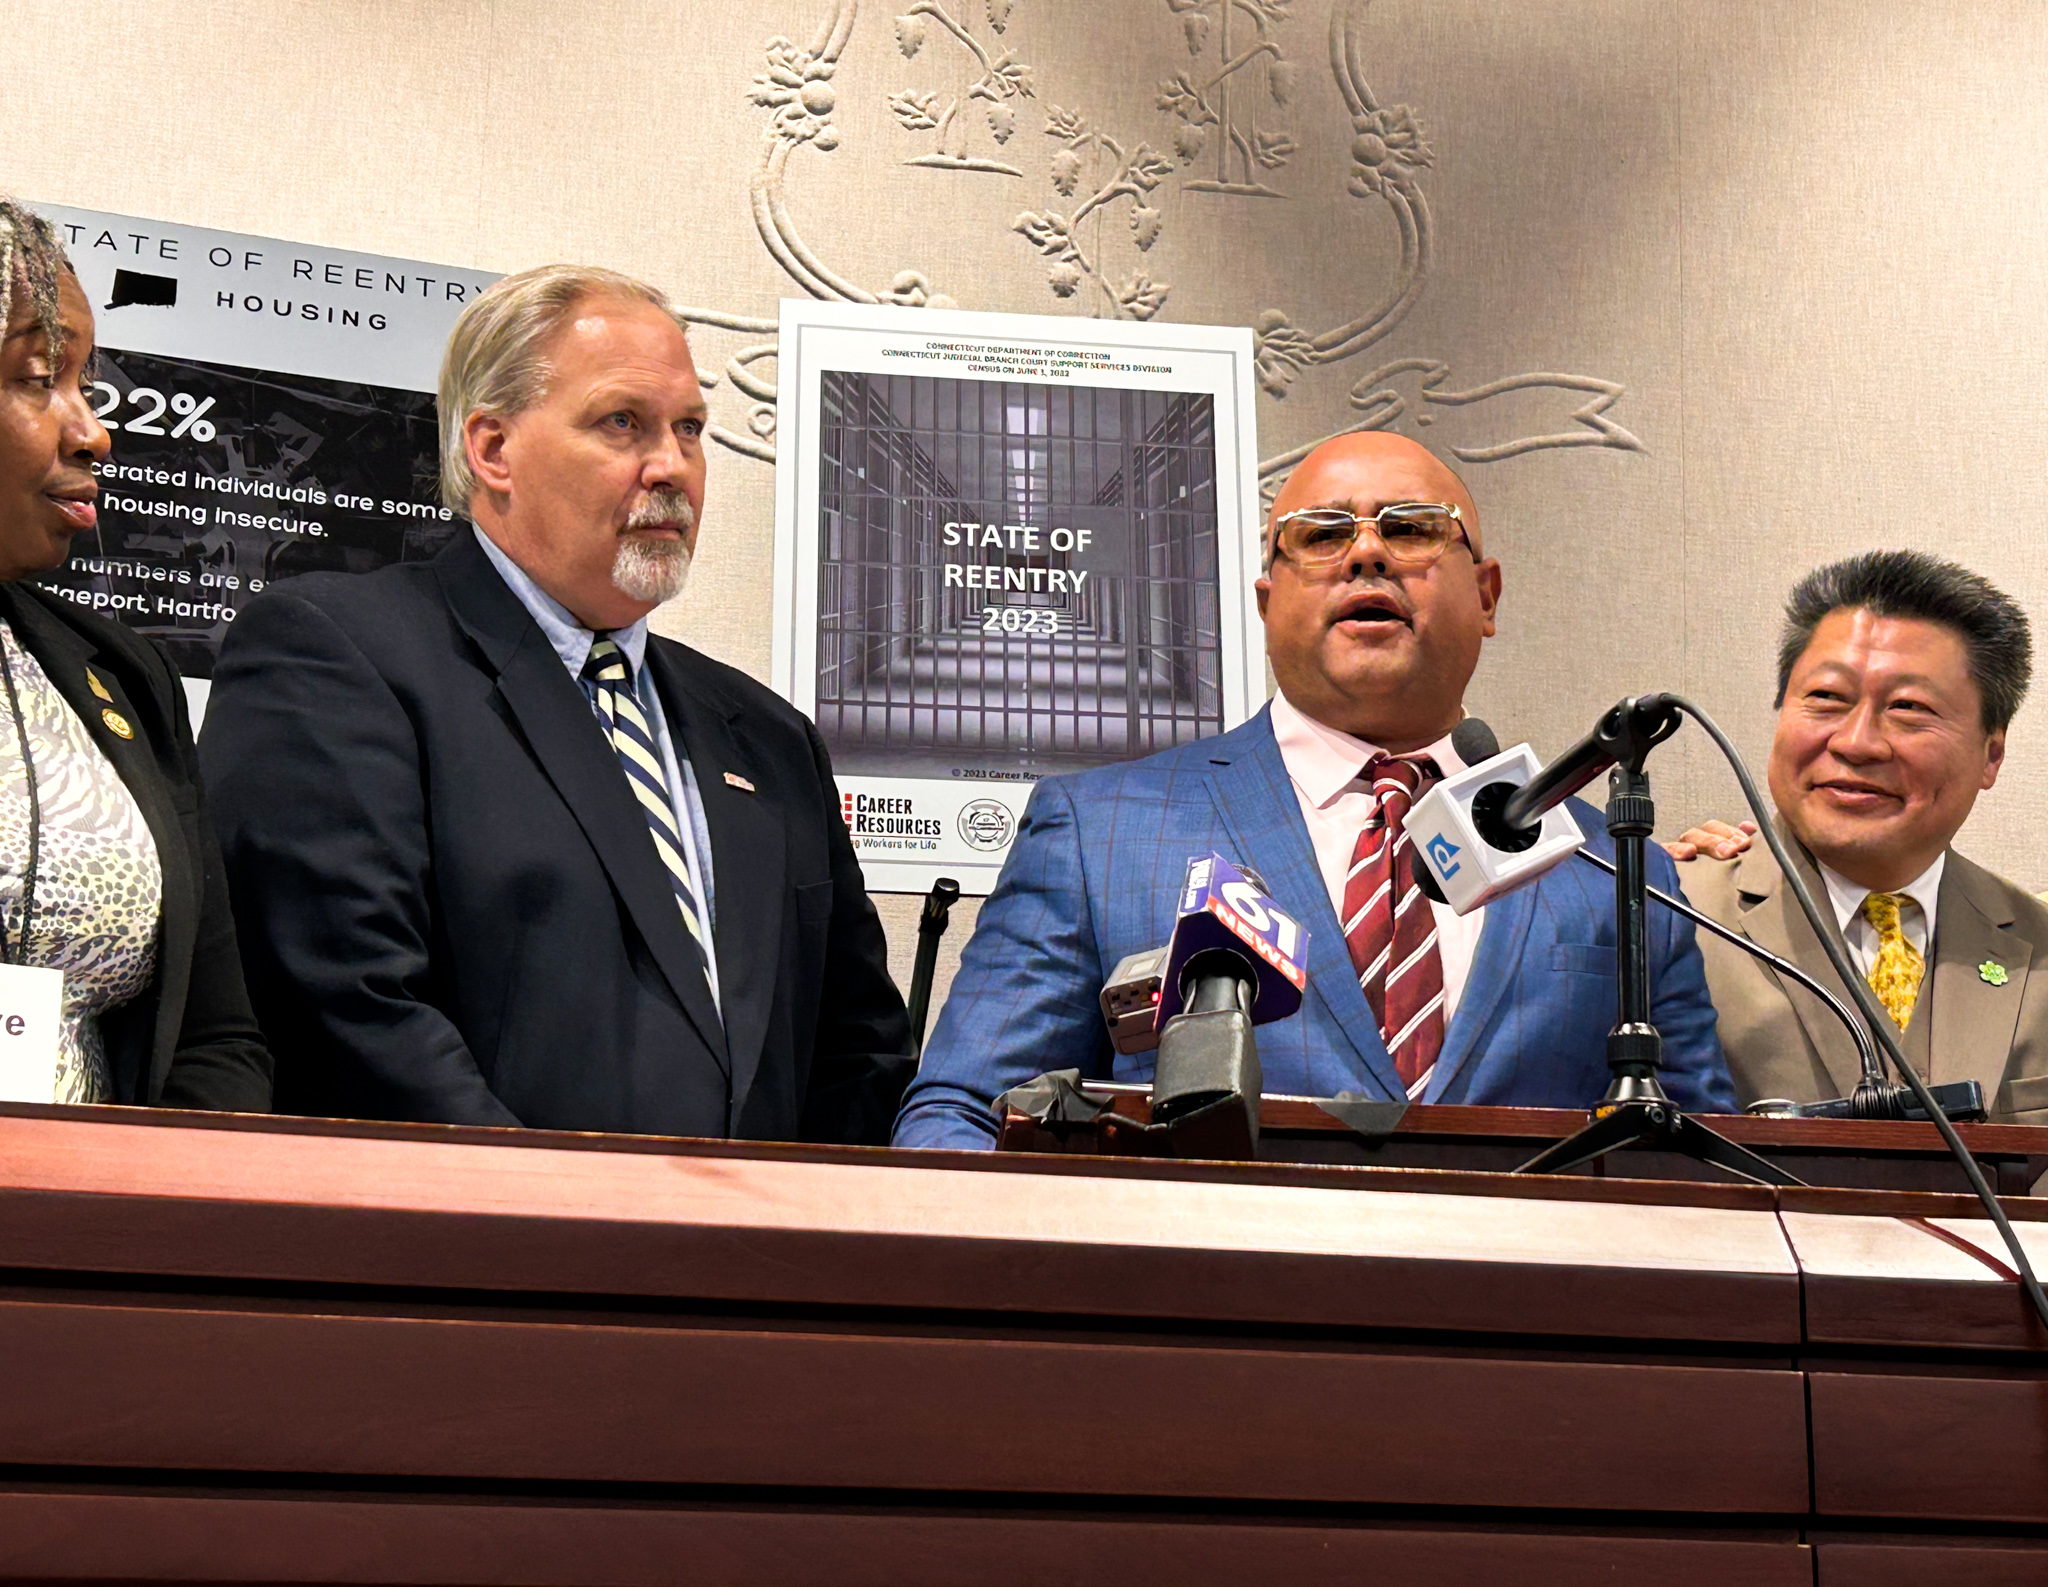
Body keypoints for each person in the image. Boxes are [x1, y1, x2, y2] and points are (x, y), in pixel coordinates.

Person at [199, 264, 913, 1139]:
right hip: (479, 1258)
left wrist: (791, 1252)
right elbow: (346, 1009)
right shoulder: (339, 654)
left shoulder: (769, 736)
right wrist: (563, 1232)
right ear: (492, 450)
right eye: (624, 423)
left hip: (756, 1263)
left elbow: (859, 1050)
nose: (674, 468)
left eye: (690, 429)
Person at [895, 431, 1732, 1149]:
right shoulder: (1096, 832)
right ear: (1267, 603)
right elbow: (965, 1113)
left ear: (1486, 596)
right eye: (1322, 535)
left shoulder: (1614, 868)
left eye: (1410, 529)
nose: (1367, 552)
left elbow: (1710, 1156)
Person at [0, 200, 270, 1110]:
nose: (92, 430)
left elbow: (215, 1035)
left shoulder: (123, 675)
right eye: (42, 378)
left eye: (85, 381)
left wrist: (166, 1230)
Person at [1669, 551, 2048, 1119]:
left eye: (1908, 707)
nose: (1856, 742)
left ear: (1991, 755)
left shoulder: (2039, 947)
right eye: (1826, 697)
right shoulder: (1663, 908)